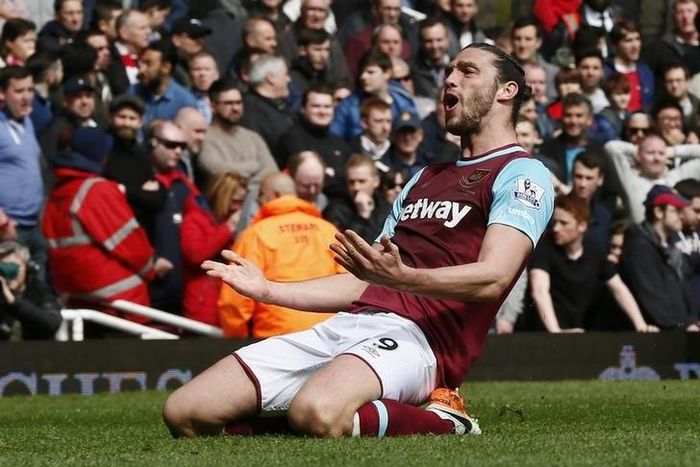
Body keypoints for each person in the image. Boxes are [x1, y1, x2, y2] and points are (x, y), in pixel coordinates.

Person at [163, 43, 553, 439]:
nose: (450, 79)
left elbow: (494, 278)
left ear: (506, 91)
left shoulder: (522, 174)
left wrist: (403, 279)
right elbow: (367, 280)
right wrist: (268, 290)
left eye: (468, 71)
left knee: (318, 411)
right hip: (350, 325)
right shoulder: (424, 178)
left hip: (423, 340)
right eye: (449, 70)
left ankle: (445, 421)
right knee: (185, 412)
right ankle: (296, 418)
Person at [42, 127, 168, 321]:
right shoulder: (98, 190)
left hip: (76, 295)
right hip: (119, 299)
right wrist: (151, 268)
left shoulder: (58, 193)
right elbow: (129, 241)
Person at [218, 172, 344, 338]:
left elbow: (235, 300)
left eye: (261, 196)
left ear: (275, 195)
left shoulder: (256, 234)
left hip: (277, 337)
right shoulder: (327, 229)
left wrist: (235, 339)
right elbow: (347, 280)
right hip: (329, 334)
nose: (258, 202)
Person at [528, 194, 657, 333]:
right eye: (554, 222)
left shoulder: (594, 251)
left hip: (580, 332)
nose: (556, 228)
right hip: (544, 335)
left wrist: (640, 325)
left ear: (582, 226)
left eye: (563, 223)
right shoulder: (544, 248)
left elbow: (619, 289)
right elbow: (540, 290)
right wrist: (555, 331)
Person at [619, 185, 700, 331]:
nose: (681, 216)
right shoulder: (638, 245)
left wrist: (692, 321)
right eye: (675, 210)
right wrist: (683, 326)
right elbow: (652, 296)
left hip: (677, 332)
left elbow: (682, 290)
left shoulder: (670, 245)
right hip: (655, 336)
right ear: (658, 212)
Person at [180, 171, 247, 326]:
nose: (238, 208)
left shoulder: (231, 220)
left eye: (242, 202)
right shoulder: (195, 219)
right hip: (203, 304)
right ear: (222, 195)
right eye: (235, 201)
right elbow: (196, 254)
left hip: (228, 302)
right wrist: (227, 229)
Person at [323, 154, 392, 244]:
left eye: (361, 181)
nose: (356, 187)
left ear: (376, 181)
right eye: (351, 182)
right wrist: (362, 217)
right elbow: (341, 248)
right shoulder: (335, 211)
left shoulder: (387, 208)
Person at [0, 240, 62, 340]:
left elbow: (51, 323)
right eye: (2, 269)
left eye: (12, 268)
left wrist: (12, 302)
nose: (8, 274)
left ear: (27, 267)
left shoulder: (38, 290)